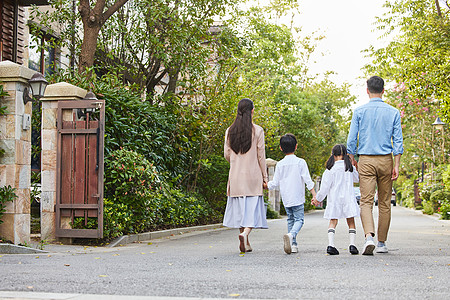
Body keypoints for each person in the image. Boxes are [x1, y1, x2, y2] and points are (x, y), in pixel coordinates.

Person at [347, 76, 403, 255]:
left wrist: (352, 157)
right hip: (386, 159)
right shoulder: (393, 112)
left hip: (366, 160)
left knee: (366, 201)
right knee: (385, 203)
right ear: (383, 90)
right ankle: (381, 242)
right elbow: (398, 141)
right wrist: (397, 164)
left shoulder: (359, 111)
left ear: (367, 90)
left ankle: (368, 236)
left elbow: (351, 139)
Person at [223, 98, 269, 253]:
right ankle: (245, 234)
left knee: (241, 211)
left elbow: (227, 155)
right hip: (252, 176)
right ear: (252, 111)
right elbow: (261, 156)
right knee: (252, 210)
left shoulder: (230, 131)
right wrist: (265, 177)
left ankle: (245, 241)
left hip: (235, 177)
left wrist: (237, 161)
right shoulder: (258, 130)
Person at [267, 134, 317, 254]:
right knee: (299, 220)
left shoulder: (280, 164)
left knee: (290, 220)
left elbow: (275, 182)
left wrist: (265, 185)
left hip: (286, 198)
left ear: (281, 148)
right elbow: (307, 180)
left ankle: (293, 245)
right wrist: (314, 195)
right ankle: (291, 236)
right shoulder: (300, 162)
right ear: (296, 146)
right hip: (297, 197)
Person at [312, 144, 360, 255]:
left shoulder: (330, 170)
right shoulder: (349, 168)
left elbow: (324, 188)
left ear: (333, 155)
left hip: (335, 200)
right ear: (345, 155)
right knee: (351, 221)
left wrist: (317, 199)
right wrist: (355, 166)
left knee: (333, 221)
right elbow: (357, 179)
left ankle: (331, 245)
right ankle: (352, 245)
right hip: (348, 199)